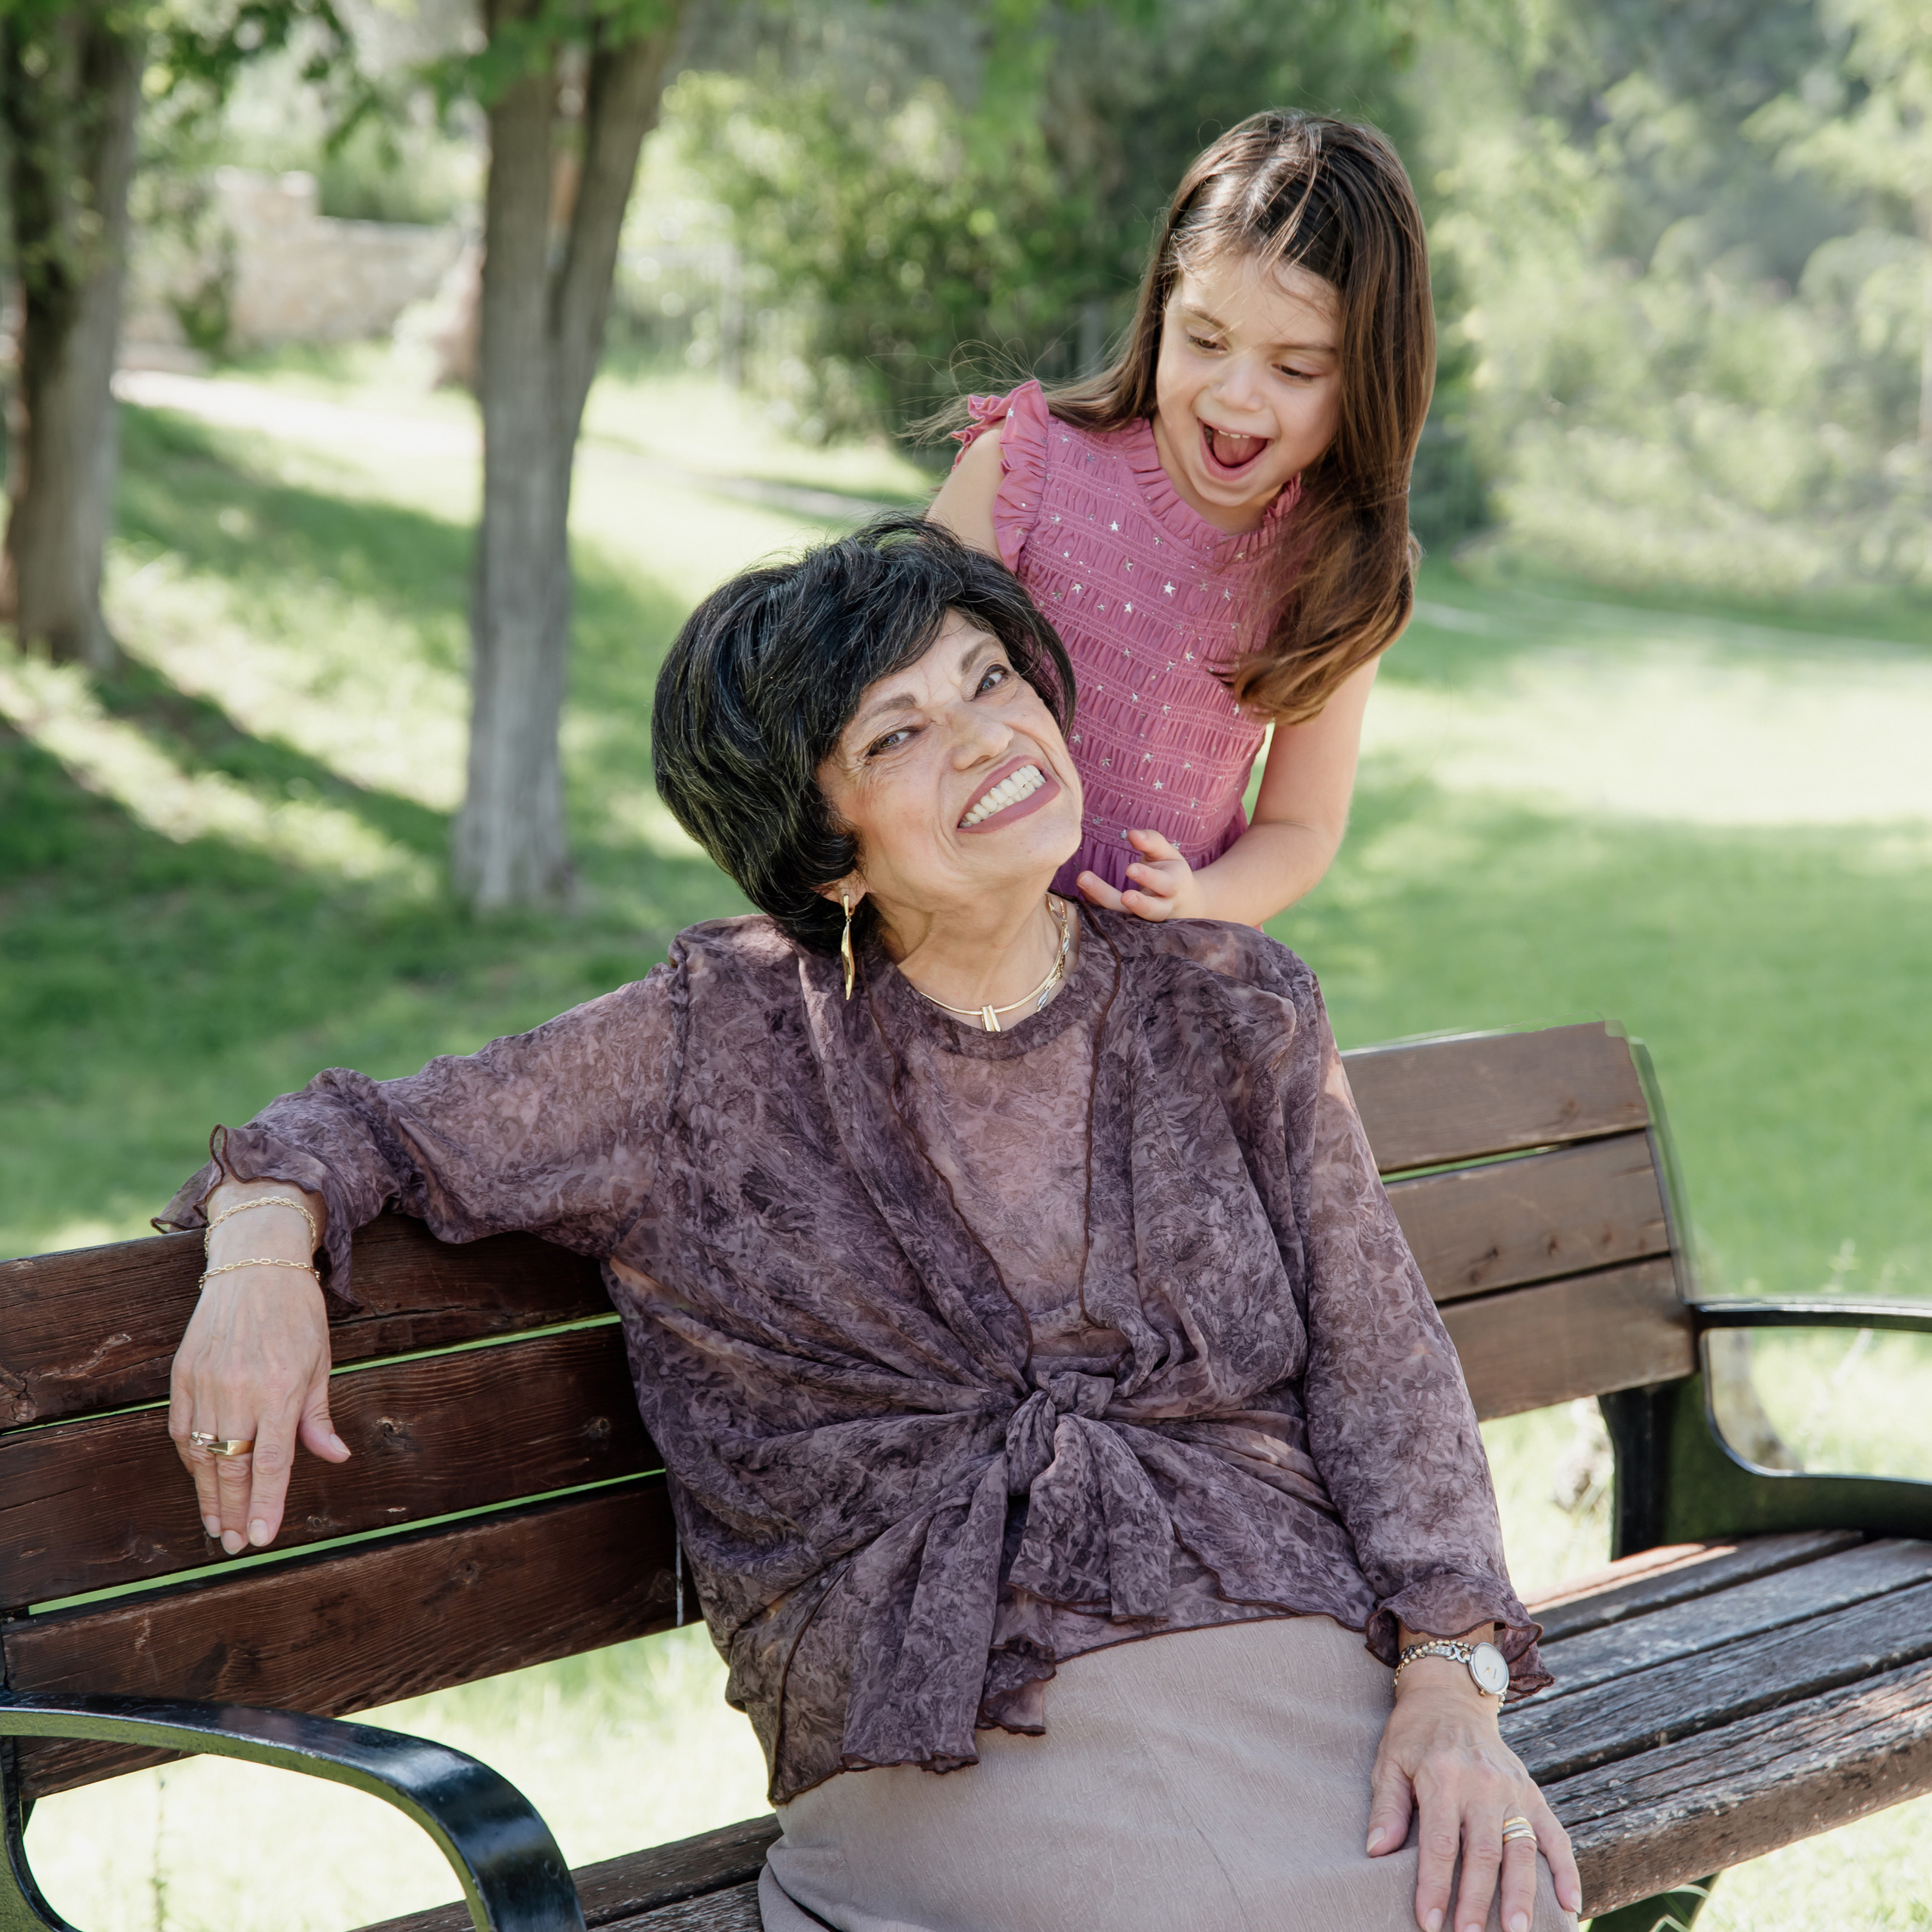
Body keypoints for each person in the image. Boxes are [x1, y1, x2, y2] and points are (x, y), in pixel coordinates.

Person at [162, 518, 1579, 1932]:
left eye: (990, 679)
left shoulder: (1230, 1005)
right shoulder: (707, 1047)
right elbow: (352, 1130)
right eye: (897, 736)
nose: (983, 738)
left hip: (1286, 1647)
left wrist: (1453, 1682)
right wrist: (258, 1256)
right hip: (944, 1712)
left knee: (1493, 1892)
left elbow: (1382, 1362)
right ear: (823, 850)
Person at [929, 109, 1429, 929]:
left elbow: (1300, 826)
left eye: (1293, 367)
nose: (1235, 393)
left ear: (1366, 381)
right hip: (961, 919)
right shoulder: (1023, 468)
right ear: (1162, 312)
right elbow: (887, 693)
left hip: (1153, 971)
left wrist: (1203, 899)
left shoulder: (1339, 570)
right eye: (1204, 338)